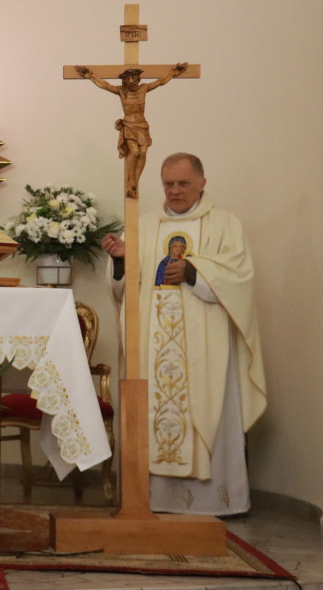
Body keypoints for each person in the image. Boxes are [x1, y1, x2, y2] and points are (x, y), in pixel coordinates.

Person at [101, 153, 266, 515]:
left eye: (183, 183)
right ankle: (151, 501)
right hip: (153, 346)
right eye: (168, 184)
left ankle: (216, 503)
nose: (174, 191)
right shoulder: (142, 225)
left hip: (207, 349)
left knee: (206, 407)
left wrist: (193, 273)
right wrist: (120, 261)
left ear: (202, 182)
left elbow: (240, 279)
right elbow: (121, 291)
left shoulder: (225, 225)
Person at [75, 63, 189, 198]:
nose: (131, 81)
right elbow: (105, 85)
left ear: (138, 79)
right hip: (129, 124)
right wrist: (90, 76)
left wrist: (172, 73)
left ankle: (135, 181)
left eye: (134, 78)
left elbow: (160, 82)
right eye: (127, 78)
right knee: (134, 152)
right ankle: (131, 181)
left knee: (143, 152)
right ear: (124, 80)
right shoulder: (121, 91)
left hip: (142, 125)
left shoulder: (144, 88)